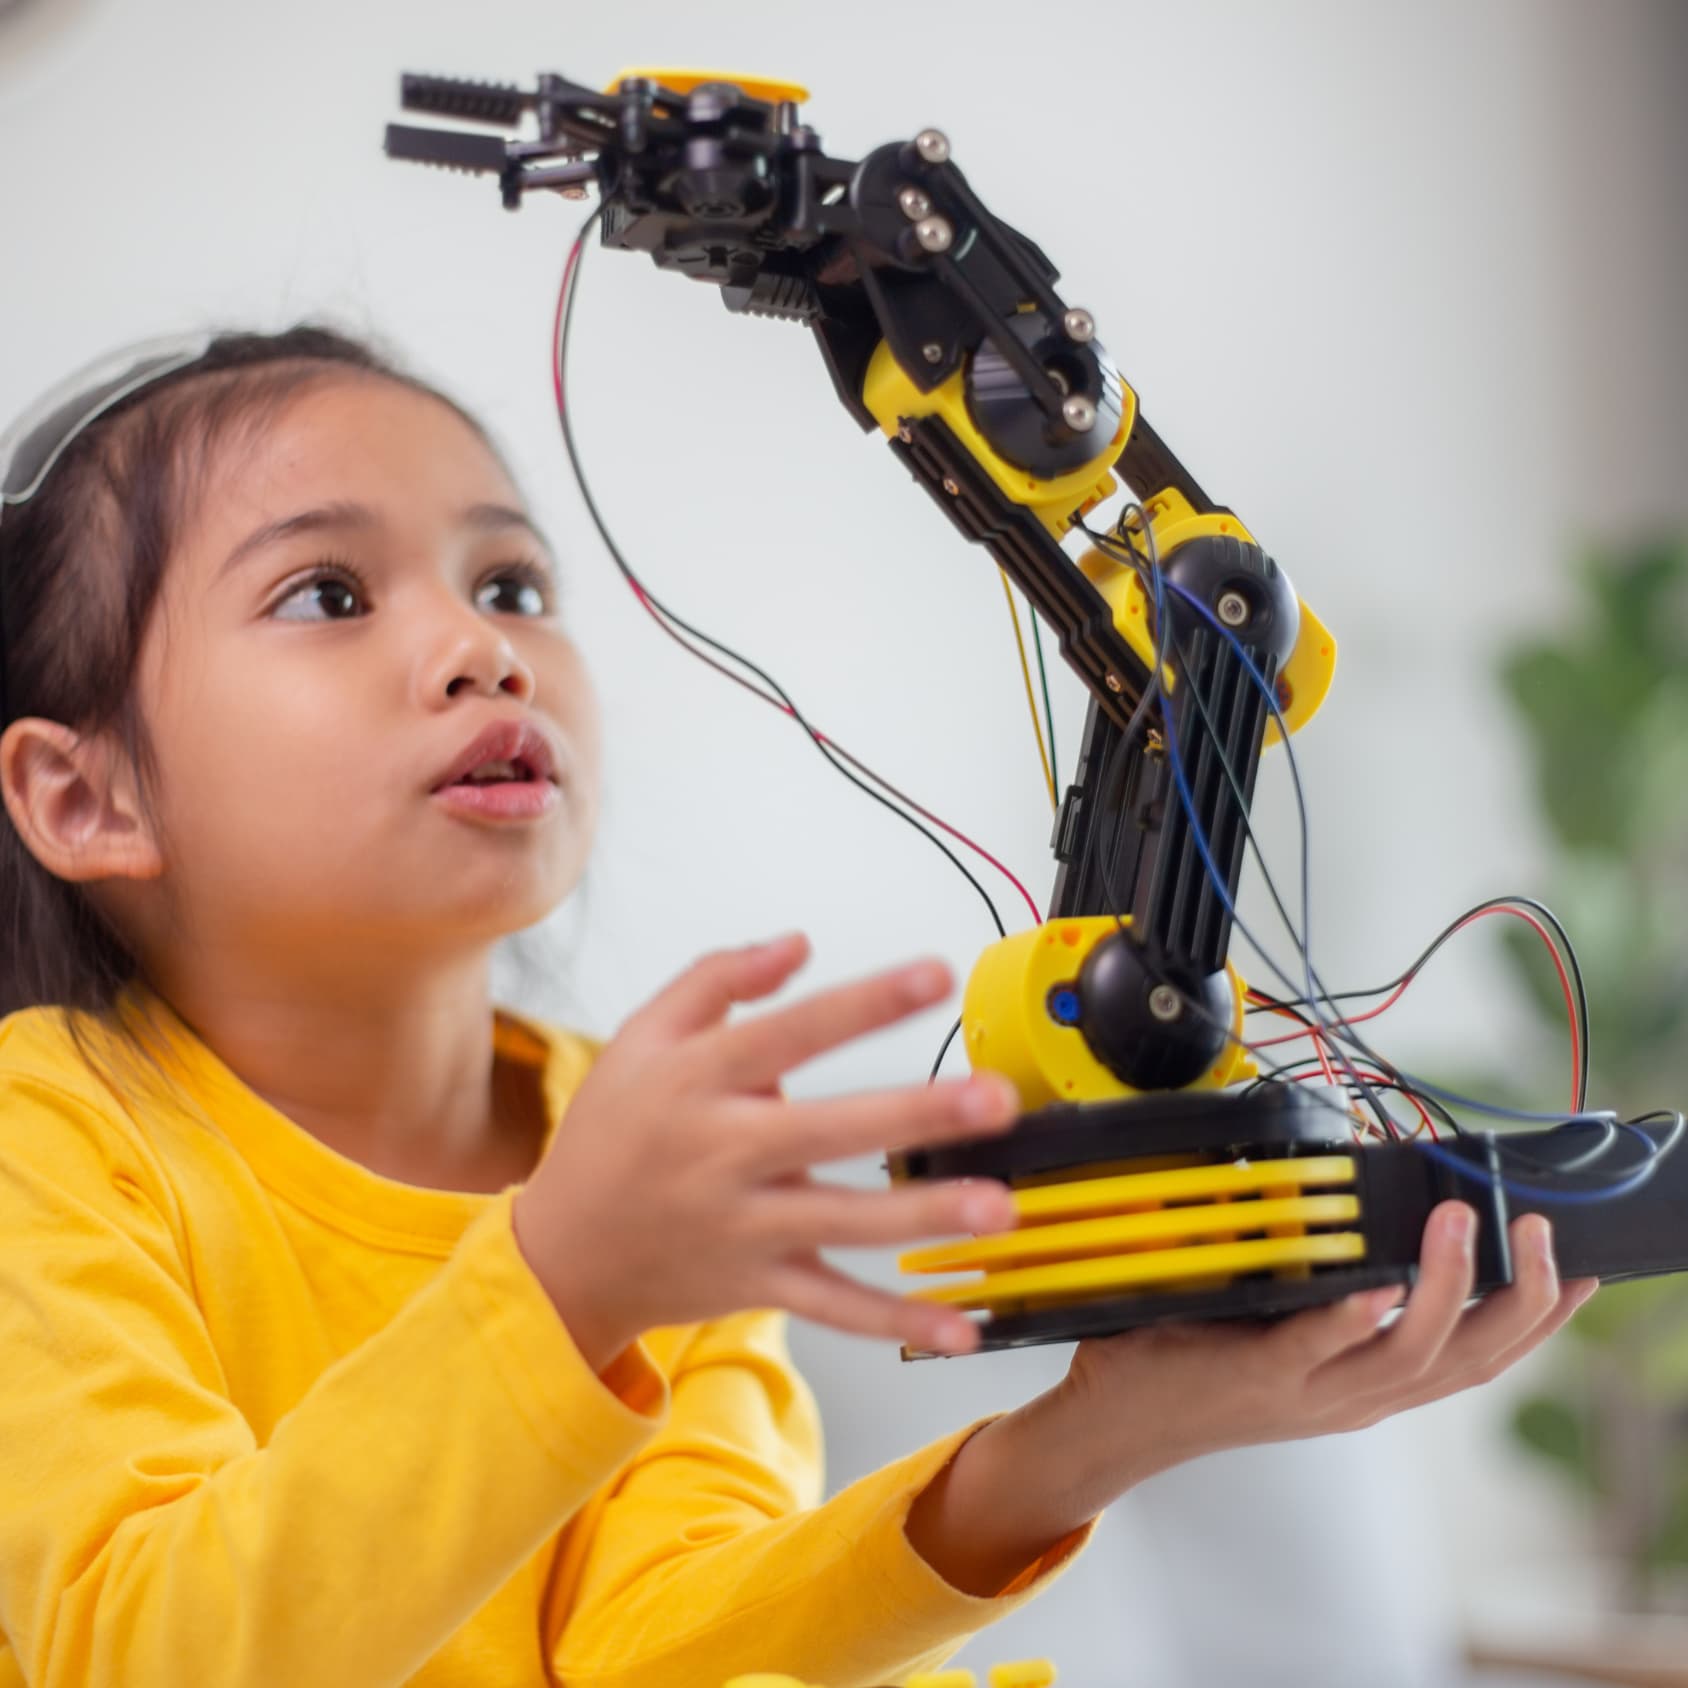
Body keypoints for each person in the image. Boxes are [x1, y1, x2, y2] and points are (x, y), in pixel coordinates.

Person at [0, 324, 1594, 1688]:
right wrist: (561, 1284)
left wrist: (1094, 1436)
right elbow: (144, 1643)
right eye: (328, 595)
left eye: (510, 577)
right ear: (84, 799)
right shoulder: (51, 1140)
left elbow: (658, 1640)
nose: (480, 646)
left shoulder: (649, 1139)